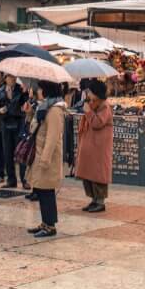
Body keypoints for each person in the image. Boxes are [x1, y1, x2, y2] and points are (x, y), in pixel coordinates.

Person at [26, 81, 66, 238]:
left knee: (47, 191)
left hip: (46, 157)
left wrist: (45, 159)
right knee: (41, 190)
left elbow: (53, 137)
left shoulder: (55, 110)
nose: (38, 91)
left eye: (40, 88)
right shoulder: (44, 107)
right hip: (39, 153)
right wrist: (30, 113)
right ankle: (45, 222)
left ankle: (50, 226)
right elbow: (34, 128)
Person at [75, 84, 113, 213]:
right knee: (88, 173)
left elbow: (97, 123)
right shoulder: (92, 103)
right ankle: (93, 199)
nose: (88, 94)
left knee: (98, 173)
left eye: (90, 91)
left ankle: (100, 202)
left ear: (97, 93)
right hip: (89, 145)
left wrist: (88, 111)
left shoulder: (104, 106)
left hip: (99, 147)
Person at [0, 74, 28, 189]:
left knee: (21, 152)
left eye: (14, 77)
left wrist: (25, 94)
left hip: (18, 123)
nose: (13, 79)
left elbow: (25, 104)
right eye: (10, 77)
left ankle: (24, 180)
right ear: (6, 78)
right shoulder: (0, 91)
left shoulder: (21, 89)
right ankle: (11, 180)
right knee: (7, 153)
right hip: (6, 123)